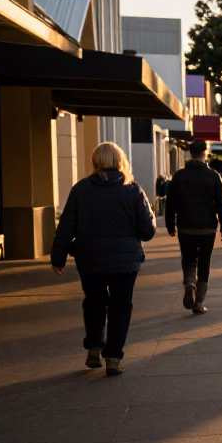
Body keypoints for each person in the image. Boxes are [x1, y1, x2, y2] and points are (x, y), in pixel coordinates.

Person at [50, 143, 156, 376]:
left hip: (90, 259)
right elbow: (148, 230)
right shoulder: (133, 190)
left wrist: (58, 257)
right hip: (125, 260)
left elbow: (66, 227)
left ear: (95, 161)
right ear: (120, 162)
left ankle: (94, 346)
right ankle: (113, 357)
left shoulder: (81, 189)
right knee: (121, 306)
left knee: (94, 302)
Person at [165, 139, 222, 314]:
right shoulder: (214, 176)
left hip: (186, 226)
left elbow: (170, 203)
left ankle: (189, 281)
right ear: (204, 153)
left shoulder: (179, 176)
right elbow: (221, 204)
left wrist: (170, 224)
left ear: (190, 154)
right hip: (207, 227)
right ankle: (199, 301)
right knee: (205, 261)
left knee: (188, 258)